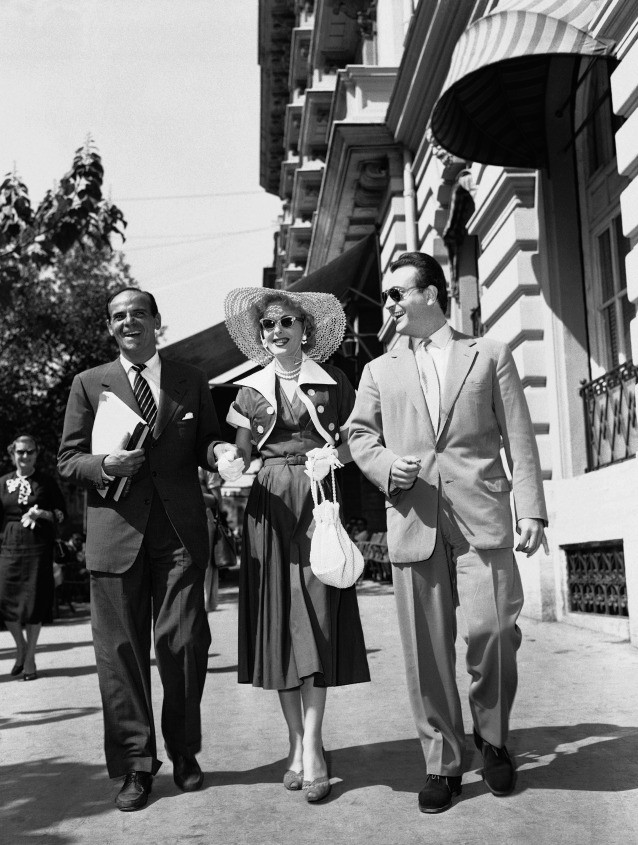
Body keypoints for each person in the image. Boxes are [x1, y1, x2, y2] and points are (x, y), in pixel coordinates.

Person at [349, 252, 548, 814]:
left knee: (494, 630)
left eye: (396, 293)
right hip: (414, 518)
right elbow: (359, 437)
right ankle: (442, 761)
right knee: (425, 649)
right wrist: (389, 466)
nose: (387, 304)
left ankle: (493, 738)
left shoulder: (489, 353)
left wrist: (530, 508)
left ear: (431, 294)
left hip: (482, 514)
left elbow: (518, 434)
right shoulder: (378, 369)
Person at [58, 287, 230, 812]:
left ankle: (184, 752)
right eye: (117, 316)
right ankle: (135, 765)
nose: (128, 321)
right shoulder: (89, 384)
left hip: (178, 534)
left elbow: (206, 438)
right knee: (120, 656)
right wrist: (104, 465)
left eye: (137, 313)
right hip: (114, 536)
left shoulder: (190, 379)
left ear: (158, 320)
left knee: (182, 645)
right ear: (110, 327)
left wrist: (219, 449)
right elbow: (68, 461)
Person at [223, 288, 370, 802]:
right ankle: (298, 740)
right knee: (280, 619)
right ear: (261, 335)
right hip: (268, 509)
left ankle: (314, 744)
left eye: (286, 322)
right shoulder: (248, 392)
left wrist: (337, 458)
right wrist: (230, 462)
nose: (277, 330)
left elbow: (360, 439)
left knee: (317, 616)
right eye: (268, 325)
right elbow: (240, 454)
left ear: (305, 329)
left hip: (319, 504)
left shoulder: (334, 384)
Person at [0, 434, 66, 680]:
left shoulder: (47, 482)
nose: (25, 456)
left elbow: (61, 514)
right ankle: (21, 648)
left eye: (29, 452)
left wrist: (45, 514)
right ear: (12, 454)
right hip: (8, 550)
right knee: (6, 602)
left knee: (35, 603)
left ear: (36, 454)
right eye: (20, 452)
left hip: (38, 548)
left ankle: (29, 660)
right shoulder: (2, 482)